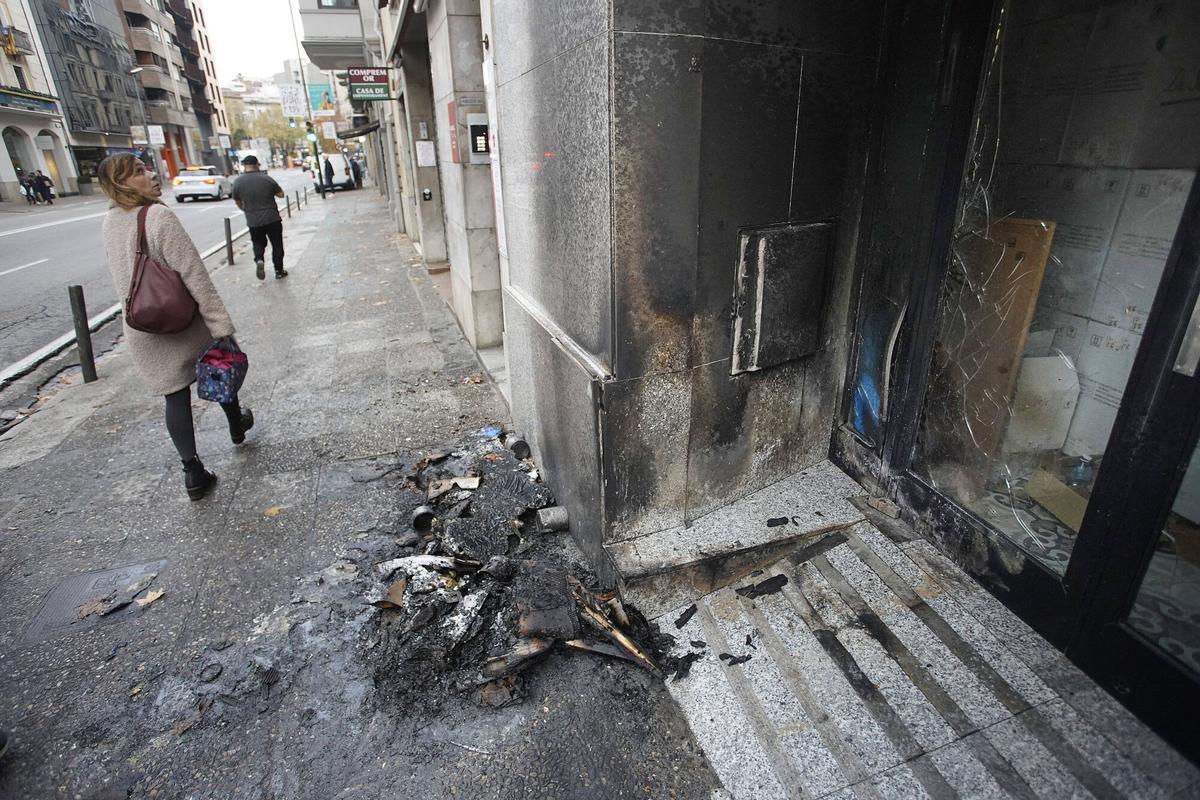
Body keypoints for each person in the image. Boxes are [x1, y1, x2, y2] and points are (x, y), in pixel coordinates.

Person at [97, 153, 253, 501]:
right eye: (139, 172)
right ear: (121, 183)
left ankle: (192, 471)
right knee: (219, 366)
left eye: (147, 168)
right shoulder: (157, 216)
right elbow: (193, 273)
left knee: (175, 395)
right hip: (183, 319)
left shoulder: (110, 221)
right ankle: (236, 424)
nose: (151, 175)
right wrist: (219, 323)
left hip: (144, 326)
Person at [231, 155, 287, 280]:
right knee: (277, 244)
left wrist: (245, 209)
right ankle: (278, 270)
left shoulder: (238, 182)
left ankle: (259, 259)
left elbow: (237, 200)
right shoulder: (266, 179)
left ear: (244, 166)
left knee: (257, 243)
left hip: (253, 220)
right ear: (257, 164)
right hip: (272, 218)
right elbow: (281, 194)